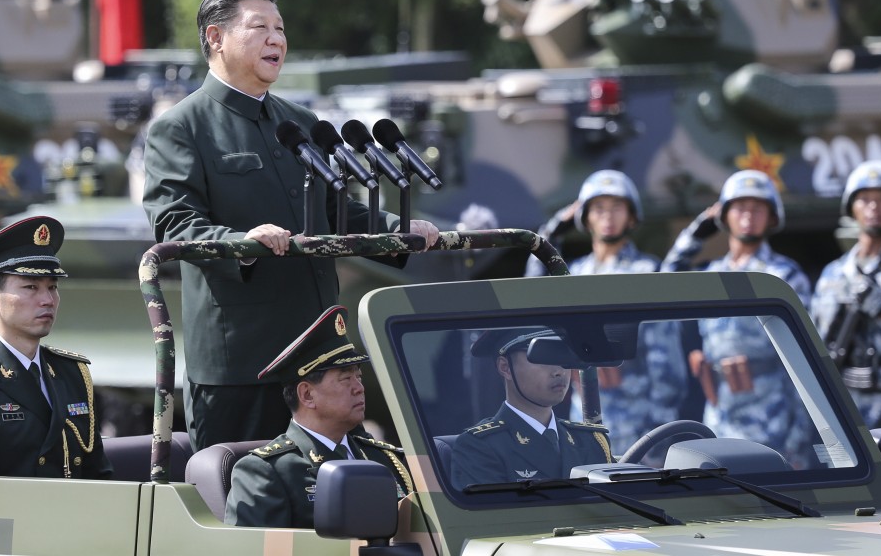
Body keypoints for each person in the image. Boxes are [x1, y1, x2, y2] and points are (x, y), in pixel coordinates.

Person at [142, 0, 438, 451]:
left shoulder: (300, 124)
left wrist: (397, 230)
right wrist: (242, 241)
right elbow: (175, 222)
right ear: (215, 39)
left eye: (280, 28)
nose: (276, 39)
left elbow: (331, 208)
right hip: (241, 362)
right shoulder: (181, 128)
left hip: (321, 355)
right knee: (238, 500)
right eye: (259, 27)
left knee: (340, 499)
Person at [0, 216, 113, 478]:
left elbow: (99, 474)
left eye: (52, 287)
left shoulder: (73, 372)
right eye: (30, 287)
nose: (47, 299)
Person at [661, 169, 814, 466]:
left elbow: (803, 361)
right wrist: (696, 233)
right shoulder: (710, 274)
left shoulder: (785, 275)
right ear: (725, 216)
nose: (748, 216)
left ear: (772, 218)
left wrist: (799, 434)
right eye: (740, 207)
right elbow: (665, 282)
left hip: (773, 413)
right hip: (720, 411)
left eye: (758, 209)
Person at [526, 171, 685, 454]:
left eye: (616, 208)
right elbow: (532, 294)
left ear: (632, 217)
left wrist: (660, 435)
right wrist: (552, 233)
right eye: (598, 209)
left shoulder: (646, 272)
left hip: (641, 426)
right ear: (585, 218)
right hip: (584, 417)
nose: (607, 217)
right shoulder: (574, 273)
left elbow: (666, 360)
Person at [224, 305, 414, 528]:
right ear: (307, 394)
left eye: (359, 377)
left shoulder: (385, 458)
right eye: (345, 379)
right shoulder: (267, 471)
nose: (359, 388)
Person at [450, 328, 612, 489]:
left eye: (564, 358)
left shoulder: (591, 441)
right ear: (505, 367)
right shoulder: (479, 448)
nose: (558, 371)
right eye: (542, 358)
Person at [812, 160, 881, 429]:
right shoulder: (833, 274)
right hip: (847, 406)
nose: (874, 208)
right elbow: (815, 336)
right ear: (851, 207)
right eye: (865, 199)